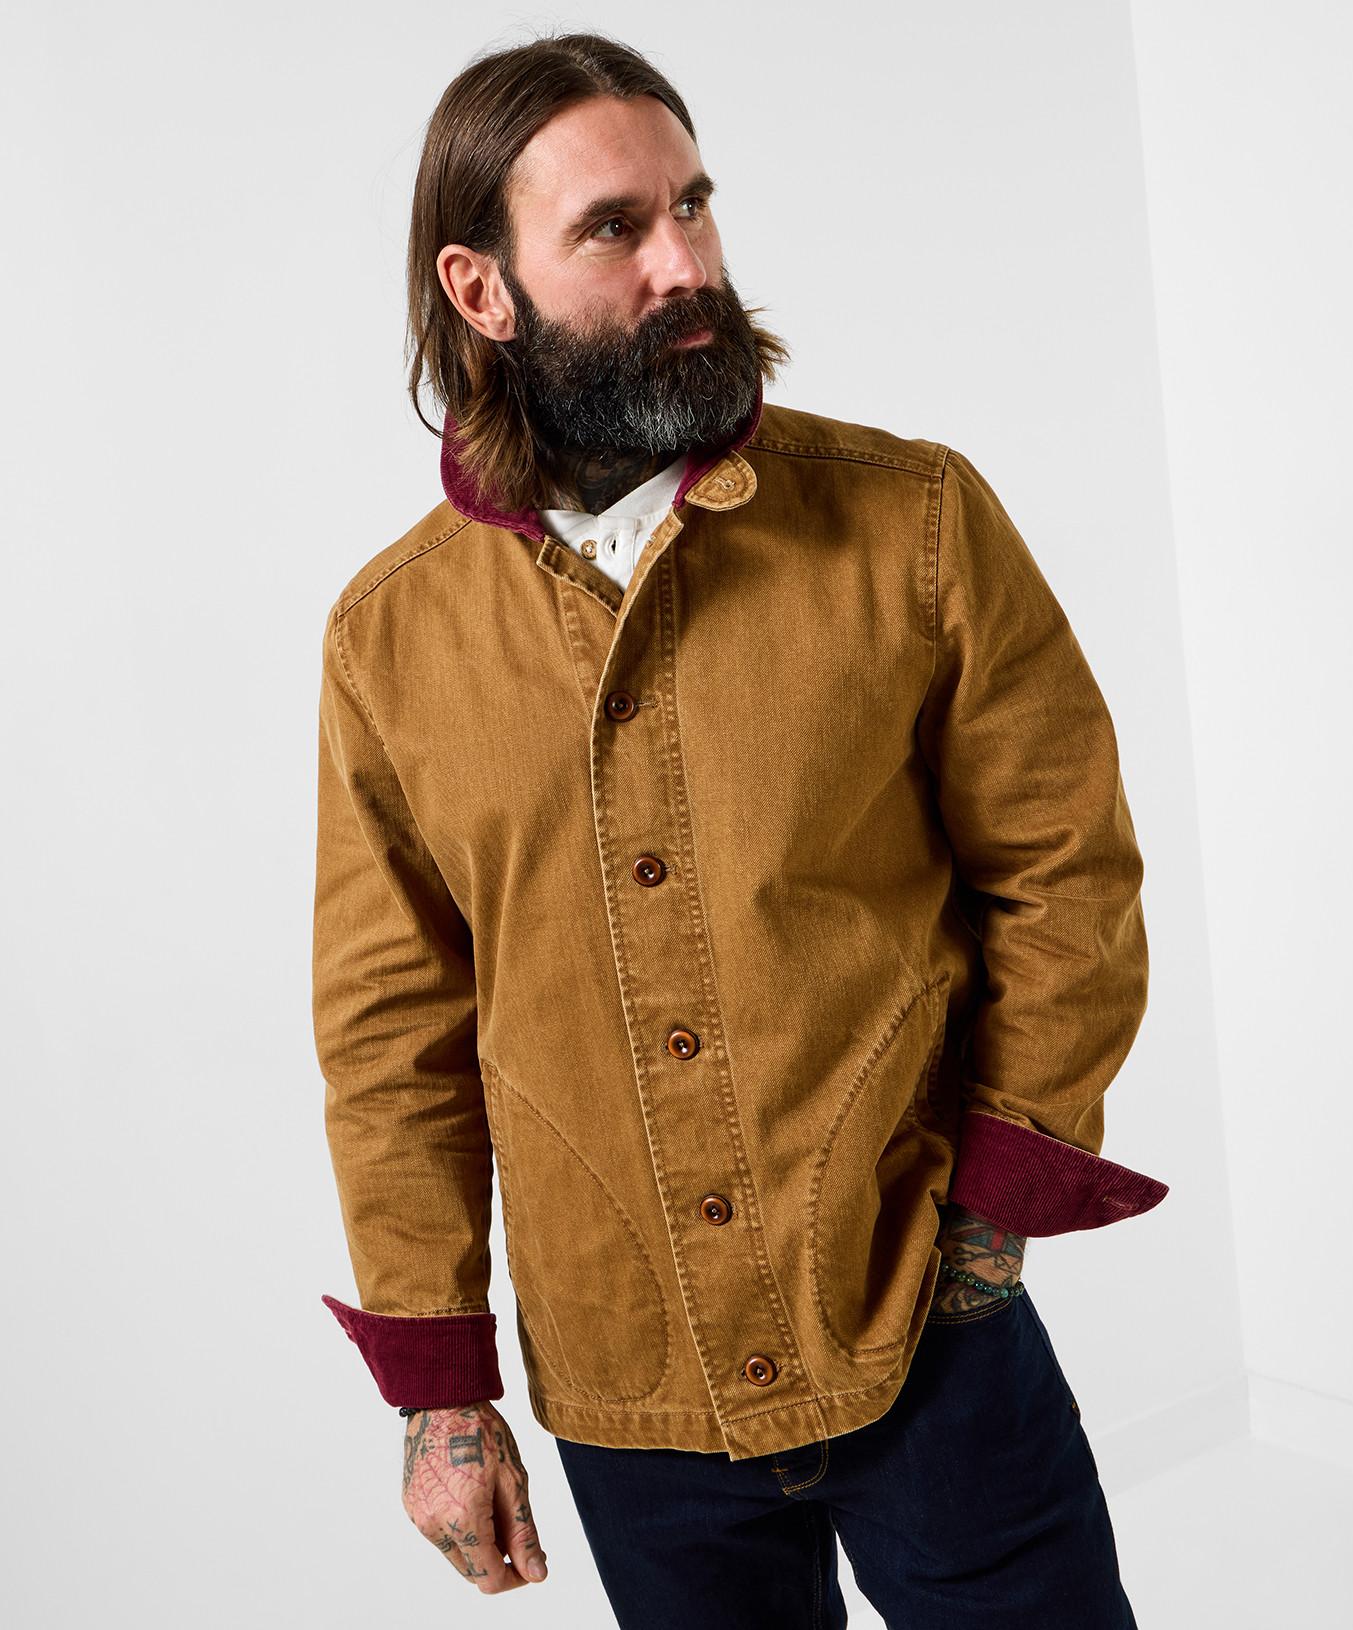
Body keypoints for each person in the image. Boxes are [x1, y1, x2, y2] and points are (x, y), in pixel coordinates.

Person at [312, 29, 1170, 1629]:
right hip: (628, 1394)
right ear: (480, 289)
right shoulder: (390, 641)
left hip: (923, 1326)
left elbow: (1068, 870)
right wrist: (439, 1388)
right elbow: (391, 1030)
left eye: (693, 205)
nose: (686, 263)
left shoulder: (913, 522)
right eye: (614, 228)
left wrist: (989, 1211)